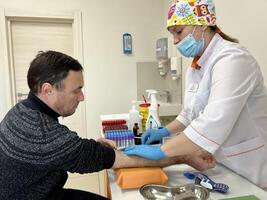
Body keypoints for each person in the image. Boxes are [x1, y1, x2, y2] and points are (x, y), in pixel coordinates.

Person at [0, 50, 215, 200]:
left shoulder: (20, 112)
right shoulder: (46, 136)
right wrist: (184, 157)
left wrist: (88, 147)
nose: (82, 97)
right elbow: (119, 160)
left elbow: (54, 152)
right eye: (77, 89)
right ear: (48, 90)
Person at [124, 0, 267, 191]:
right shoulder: (197, 65)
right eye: (172, 33)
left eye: (179, 31)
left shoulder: (232, 59)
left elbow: (213, 120)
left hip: (250, 165)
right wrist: (164, 131)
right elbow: (190, 113)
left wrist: (162, 150)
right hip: (220, 163)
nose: (174, 40)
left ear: (202, 25)